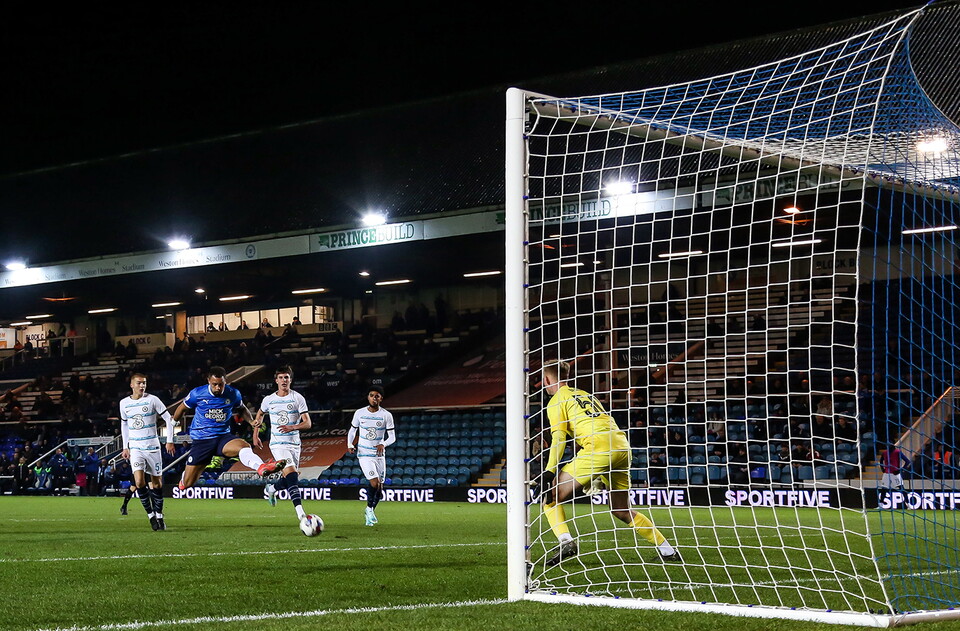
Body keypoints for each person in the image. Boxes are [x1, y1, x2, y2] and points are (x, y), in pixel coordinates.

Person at [538, 360, 679, 566]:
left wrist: (549, 472)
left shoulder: (557, 400)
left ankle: (565, 541)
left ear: (547, 379)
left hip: (599, 448)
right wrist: (596, 474)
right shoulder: (586, 395)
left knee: (549, 496)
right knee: (621, 509)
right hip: (621, 446)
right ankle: (668, 550)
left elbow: (559, 438)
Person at [172, 366, 284, 490]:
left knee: (244, 446)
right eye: (215, 384)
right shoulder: (197, 393)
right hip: (202, 440)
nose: (218, 388)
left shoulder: (233, 393)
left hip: (223, 438)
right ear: (208, 380)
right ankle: (184, 479)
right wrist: (172, 424)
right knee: (187, 484)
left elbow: (241, 409)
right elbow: (182, 408)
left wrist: (251, 421)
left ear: (225, 381)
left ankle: (261, 467)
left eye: (221, 384)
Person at [254, 366, 312, 522]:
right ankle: (300, 513)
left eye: (286, 377)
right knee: (292, 475)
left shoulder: (297, 398)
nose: (284, 380)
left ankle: (271, 489)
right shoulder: (269, 400)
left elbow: (307, 423)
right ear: (276, 380)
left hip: (294, 444)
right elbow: (260, 414)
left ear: (290, 380)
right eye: (281, 378)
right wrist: (255, 434)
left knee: (289, 478)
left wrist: (293, 427)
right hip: (277, 444)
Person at [119, 373, 176, 530]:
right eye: (139, 383)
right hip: (136, 448)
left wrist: (169, 440)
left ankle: (159, 515)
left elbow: (169, 420)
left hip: (153, 447)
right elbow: (124, 425)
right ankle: (150, 515)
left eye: (144, 383)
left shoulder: (153, 400)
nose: (142, 386)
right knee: (138, 482)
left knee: (157, 483)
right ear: (132, 385)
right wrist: (126, 446)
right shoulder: (124, 403)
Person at [347, 385, 395, 526]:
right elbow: (352, 431)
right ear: (368, 397)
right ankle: (369, 509)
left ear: (381, 398)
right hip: (364, 453)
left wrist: (383, 444)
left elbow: (392, 437)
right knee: (374, 482)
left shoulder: (386, 415)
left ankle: (370, 511)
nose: (374, 398)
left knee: (379, 489)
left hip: (379, 455)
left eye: (377, 396)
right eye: (371, 395)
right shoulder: (359, 413)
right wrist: (350, 444)